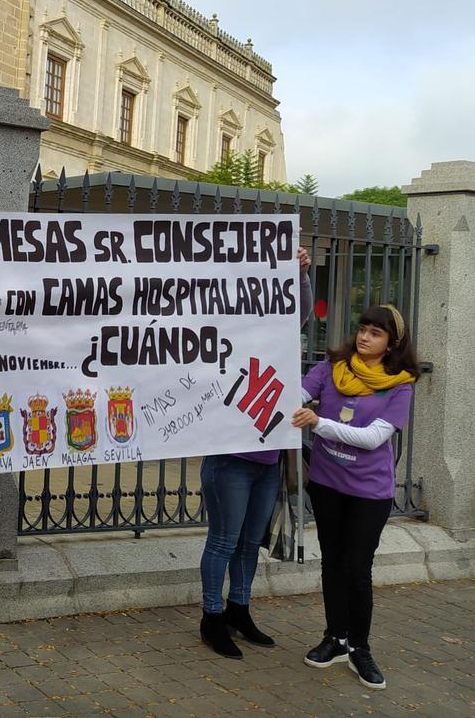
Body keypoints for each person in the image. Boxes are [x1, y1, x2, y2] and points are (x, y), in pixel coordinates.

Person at [292, 303, 419, 691]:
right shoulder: (332, 367)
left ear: (392, 342)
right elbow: (294, 393)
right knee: (332, 562)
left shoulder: (400, 384)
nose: (364, 337)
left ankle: (360, 648)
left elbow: (373, 438)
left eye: (375, 332)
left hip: (368, 492)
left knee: (357, 568)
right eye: (362, 328)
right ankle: (335, 638)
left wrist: (318, 422)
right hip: (328, 485)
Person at [199, 247, 313, 659]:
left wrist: (299, 273)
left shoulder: (279, 335)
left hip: (269, 461)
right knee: (224, 541)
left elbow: (297, 312)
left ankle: (239, 610)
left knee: (249, 543)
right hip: (230, 460)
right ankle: (212, 617)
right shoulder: (221, 332)